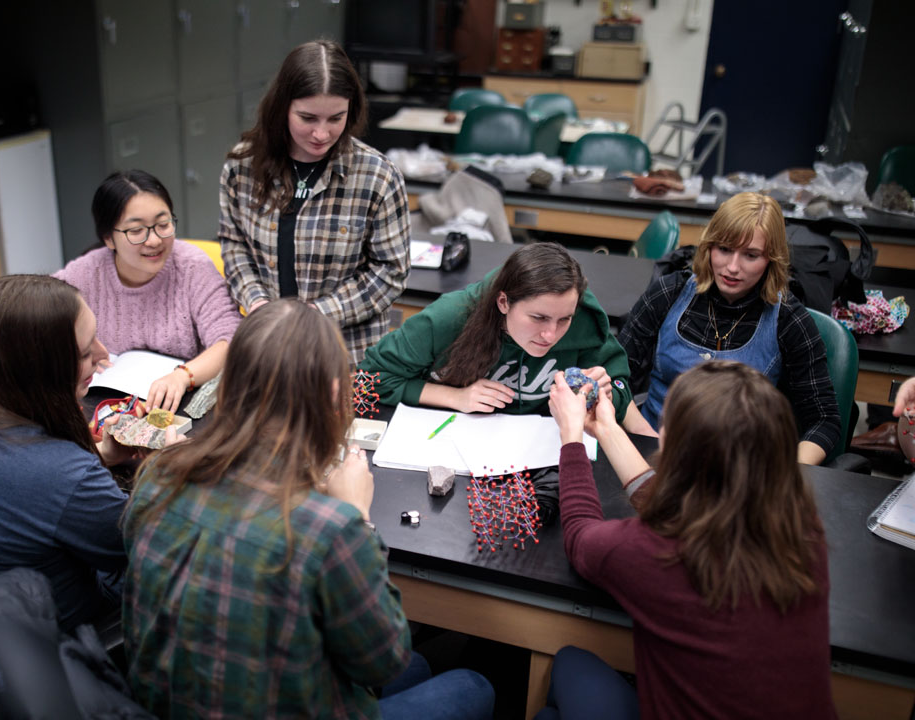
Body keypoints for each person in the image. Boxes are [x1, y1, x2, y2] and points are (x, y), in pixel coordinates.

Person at [123, 300, 495, 719]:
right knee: (470, 684)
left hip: (169, 706)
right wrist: (356, 514)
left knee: (420, 667)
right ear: (335, 393)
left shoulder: (157, 477)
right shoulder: (331, 531)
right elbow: (381, 661)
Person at [543, 361, 836, 719]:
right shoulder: (802, 528)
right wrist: (607, 430)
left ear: (672, 446)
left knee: (568, 664)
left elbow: (579, 534)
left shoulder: (648, 552)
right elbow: (686, 510)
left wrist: (571, 437)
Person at [0, 275, 158, 631]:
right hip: (39, 651)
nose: (103, 356)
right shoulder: (63, 474)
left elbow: (13, 484)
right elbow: (141, 547)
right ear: (40, 368)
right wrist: (171, 469)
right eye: (84, 353)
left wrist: (103, 455)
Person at [218, 40, 410, 365]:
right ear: (282, 108)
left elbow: (390, 271)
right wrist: (258, 304)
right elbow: (234, 246)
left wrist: (318, 314)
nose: (321, 134)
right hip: (269, 348)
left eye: (336, 118)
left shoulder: (377, 176)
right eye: (307, 118)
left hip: (346, 353)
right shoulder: (242, 167)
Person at [617, 191, 840, 464]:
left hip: (740, 470)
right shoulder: (668, 293)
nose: (732, 267)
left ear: (772, 258)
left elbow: (824, 421)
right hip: (655, 453)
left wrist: (784, 477)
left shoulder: (788, 319)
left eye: (750, 255)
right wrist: (645, 436)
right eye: (724, 249)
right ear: (709, 246)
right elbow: (614, 377)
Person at [359, 243, 634, 420]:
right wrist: (455, 397)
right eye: (538, 318)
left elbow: (621, 389)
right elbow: (369, 380)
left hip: (546, 457)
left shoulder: (586, 320)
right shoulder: (448, 318)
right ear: (503, 302)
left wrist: (604, 395)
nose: (550, 335)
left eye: (564, 320)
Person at [55, 170, 242, 412]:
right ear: (108, 239)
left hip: (179, 403)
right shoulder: (87, 272)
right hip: (104, 404)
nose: (154, 240)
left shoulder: (192, 267)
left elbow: (231, 341)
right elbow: (37, 317)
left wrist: (183, 376)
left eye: (163, 225)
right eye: (136, 231)